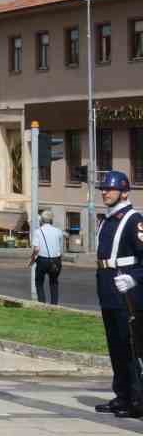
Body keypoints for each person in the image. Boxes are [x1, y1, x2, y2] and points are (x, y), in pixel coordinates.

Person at [92, 170, 142, 418]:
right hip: (108, 291)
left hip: (128, 294)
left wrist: (134, 277)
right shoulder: (107, 219)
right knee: (115, 347)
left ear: (124, 192)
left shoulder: (134, 220)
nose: (105, 192)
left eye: (109, 189)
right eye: (103, 189)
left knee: (130, 346)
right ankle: (122, 395)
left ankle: (137, 399)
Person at [29, 209, 64, 306]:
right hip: (55, 260)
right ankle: (54, 305)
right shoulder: (58, 231)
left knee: (39, 282)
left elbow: (36, 249)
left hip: (42, 260)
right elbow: (61, 249)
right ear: (51, 220)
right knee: (54, 282)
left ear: (41, 220)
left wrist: (32, 259)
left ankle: (42, 304)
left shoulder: (38, 232)